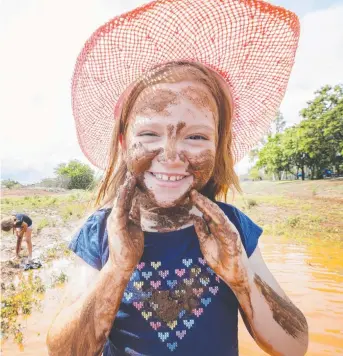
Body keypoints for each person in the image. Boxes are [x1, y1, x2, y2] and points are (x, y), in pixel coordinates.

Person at [47, 0, 308, 355]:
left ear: (218, 146)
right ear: (124, 143)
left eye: (196, 137)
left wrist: (240, 276)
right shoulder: (101, 231)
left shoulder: (231, 229)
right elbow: (64, 351)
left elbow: (294, 346)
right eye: (150, 134)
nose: (170, 157)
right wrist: (117, 269)